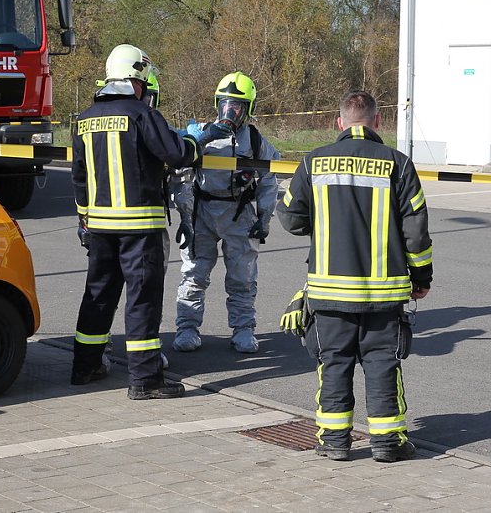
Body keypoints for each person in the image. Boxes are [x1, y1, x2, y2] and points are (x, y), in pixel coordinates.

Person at [276, 90, 433, 462]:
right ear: (378, 122)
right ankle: (387, 443)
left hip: (328, 290)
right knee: (382, 362)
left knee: (333, 363)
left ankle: (333, 441)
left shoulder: (314, 162)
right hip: (385, 292)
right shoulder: (398, 163)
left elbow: (290, 218)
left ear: (339, 122)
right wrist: (421, 278)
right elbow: (417, 232)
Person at [71, 44, 229, 399]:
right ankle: (145, 380)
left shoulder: (84, 119)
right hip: (139, 227)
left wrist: (83, 218)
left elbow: (79, 177)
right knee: (141, 301)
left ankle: (85, 365)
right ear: (136, 78)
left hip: (98, 227)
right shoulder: (142, 115)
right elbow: (178, 155)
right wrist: (195, 138)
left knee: (98, 295)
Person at [172, 71, 280, 354]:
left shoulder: (255, 142)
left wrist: (264, 219)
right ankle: (187, 328)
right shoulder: (201, 135)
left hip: (238, 213)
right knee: (194, 274)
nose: (230, 112)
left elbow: (270, 179)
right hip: (201, 213)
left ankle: (244, 329)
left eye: (237, 106)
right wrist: (184, 216)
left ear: (248, 109)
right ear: (216, 104)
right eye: (225, 104)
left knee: (242, 277)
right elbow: (179, 171)